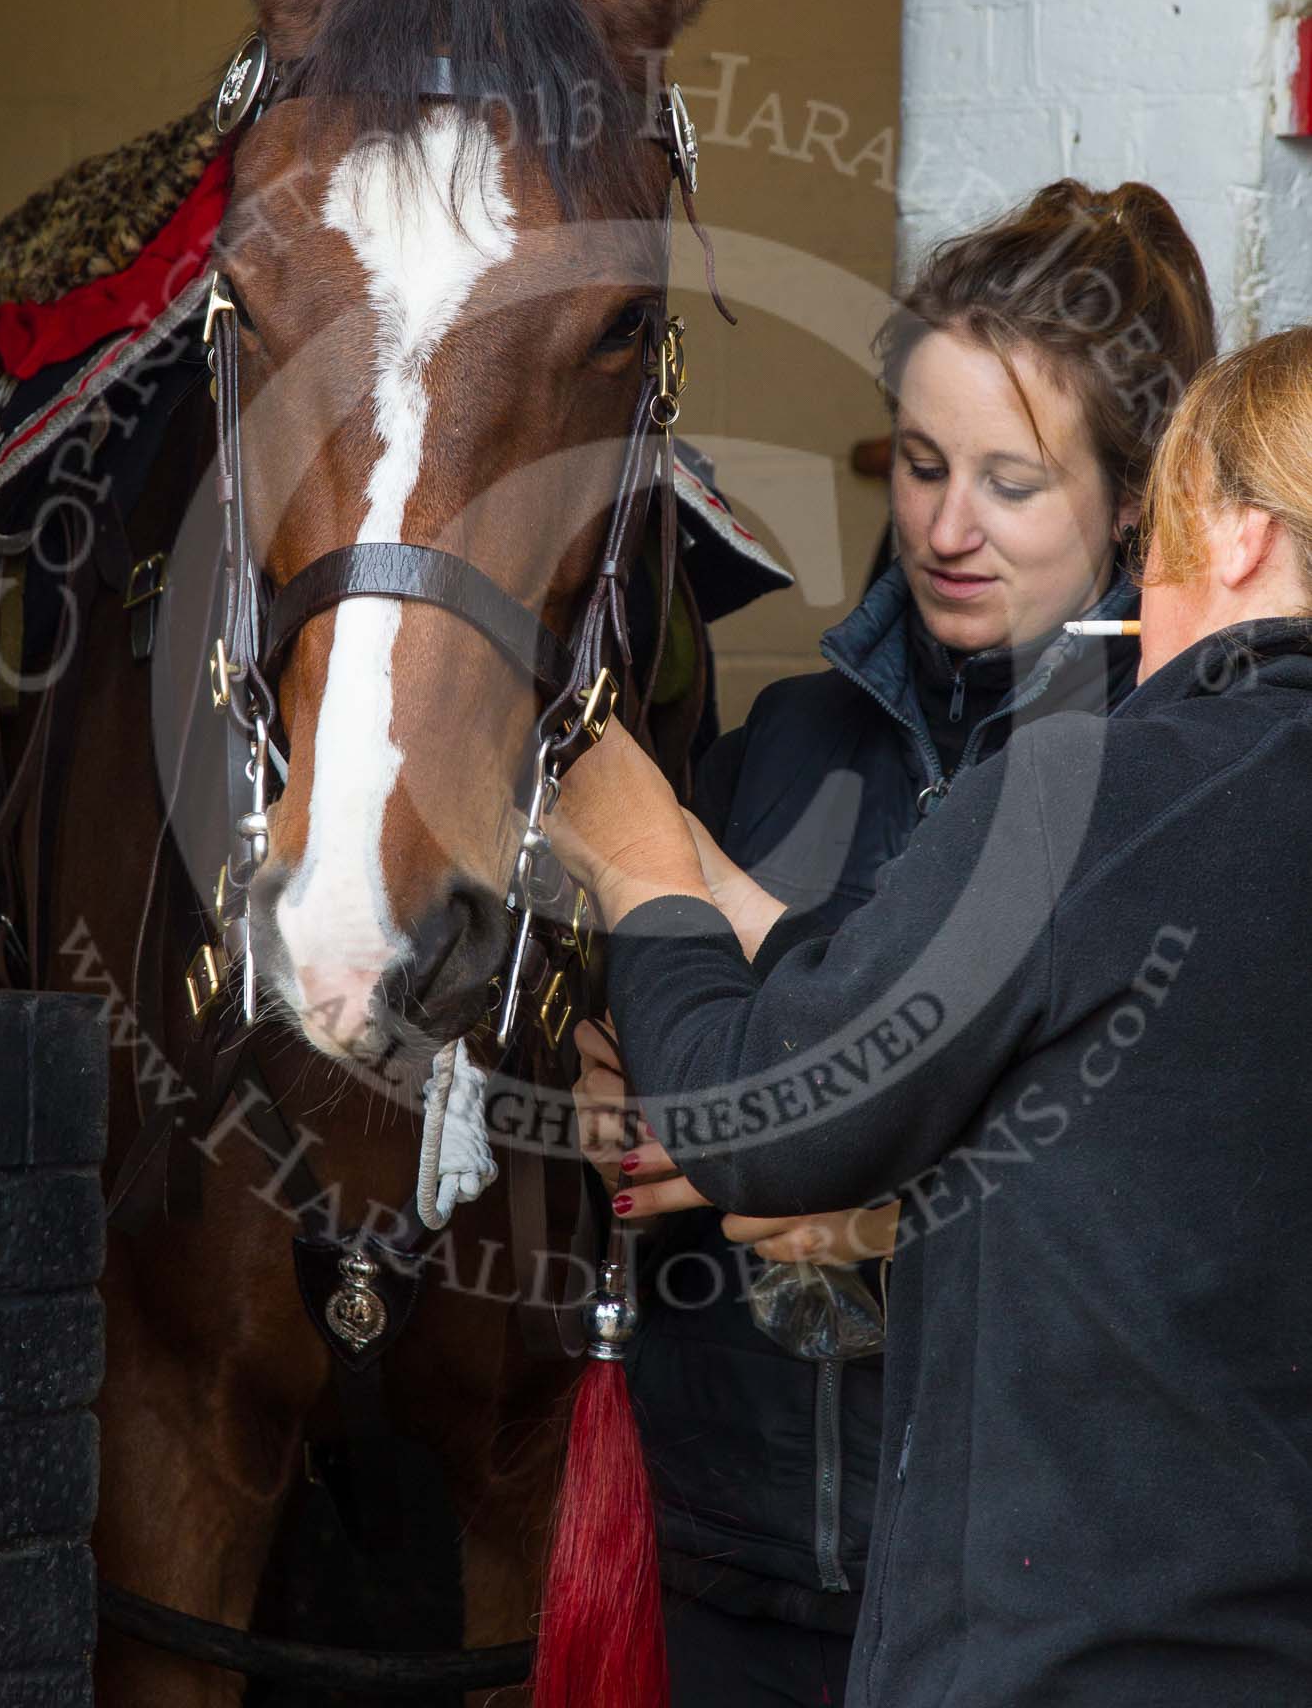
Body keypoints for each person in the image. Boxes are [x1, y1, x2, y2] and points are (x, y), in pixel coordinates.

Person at [557, 324, 1312, 1708]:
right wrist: (729, 893)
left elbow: (765, 1124)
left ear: (1242, 536)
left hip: (1066, 1661)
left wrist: (639, 877)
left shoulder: (1091, 792)